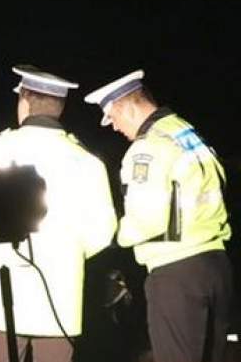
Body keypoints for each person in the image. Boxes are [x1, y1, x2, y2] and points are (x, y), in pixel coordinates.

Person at [0, 65, 117, 362]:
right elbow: (103, 231)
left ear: (24, 101)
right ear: (59, 107)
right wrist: (67, 252)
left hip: (2, 293)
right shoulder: (88, 162)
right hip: (60, 295)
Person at [84, 70, 233, 362]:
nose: (113, 127)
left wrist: (116, 234)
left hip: (177, 272)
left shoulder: (147, 148)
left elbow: (147, 220)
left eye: (113, 117)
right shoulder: (187, 132)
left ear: (128, 107)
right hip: (216, 264)